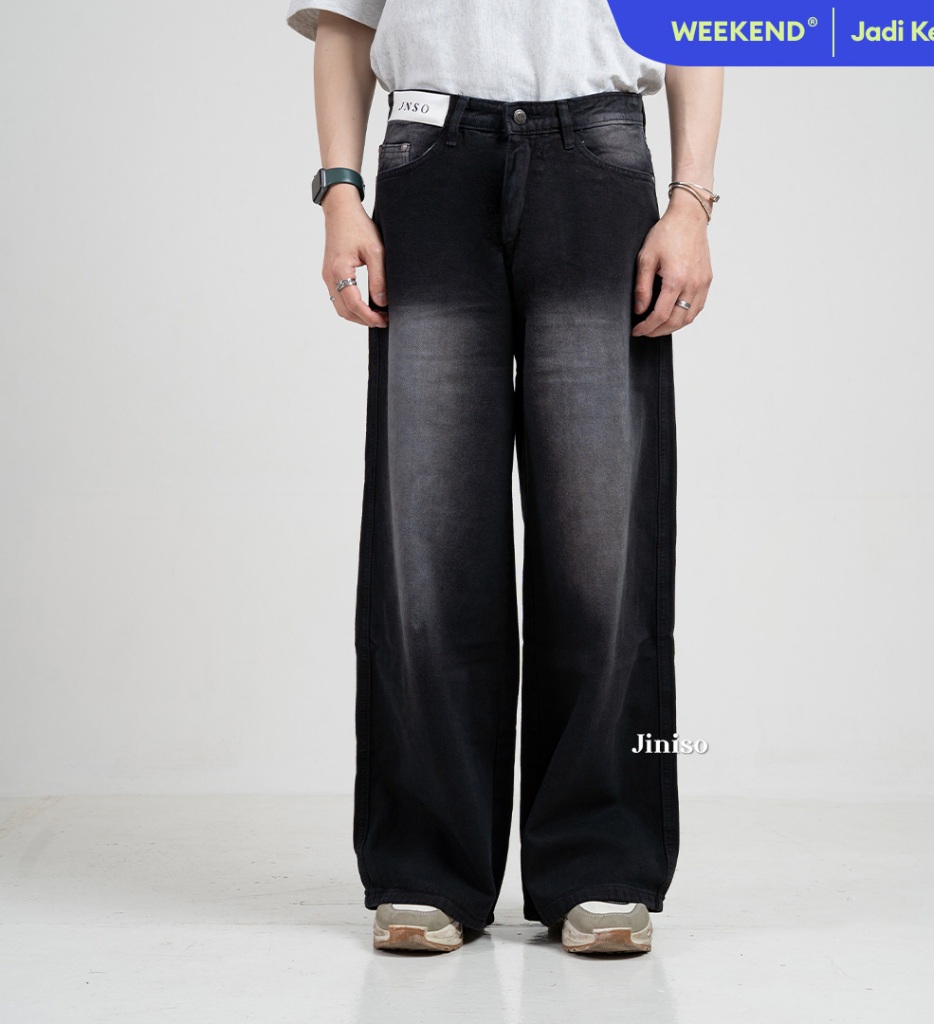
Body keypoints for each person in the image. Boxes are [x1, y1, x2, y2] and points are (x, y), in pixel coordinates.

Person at [285, 0, 723, 955]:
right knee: (428, 542)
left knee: (602, 547)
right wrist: (340, 192)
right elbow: (346, 22)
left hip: (599, 160)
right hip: (429, 163)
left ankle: (600, 865)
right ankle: (427, 866)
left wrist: (690, 202)